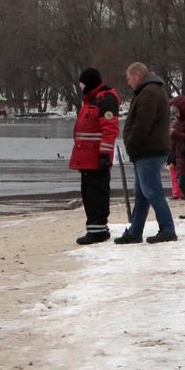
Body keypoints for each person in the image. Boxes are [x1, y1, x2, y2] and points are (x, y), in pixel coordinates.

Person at [116, 63, 176, 244]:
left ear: (136, 75)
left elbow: (143, 124)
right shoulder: (151, 90)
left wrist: (131, 144)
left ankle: (167, 229)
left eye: (129, 78)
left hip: (148, 150)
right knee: (142, 193)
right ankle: (135, 231)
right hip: (147, 150)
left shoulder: (149, 92)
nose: (128, 83)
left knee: (151, 190)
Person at [68, 67, 121, 245]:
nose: (80, 87)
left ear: (88, 83)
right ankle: (96, 229)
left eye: (82, 83)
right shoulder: (90, 100)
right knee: (89, 194)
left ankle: (98, 231)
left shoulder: (104, 99)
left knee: (96, 194)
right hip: (86, 157)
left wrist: (105, 154)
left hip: (96, 158)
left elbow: (110, 129)